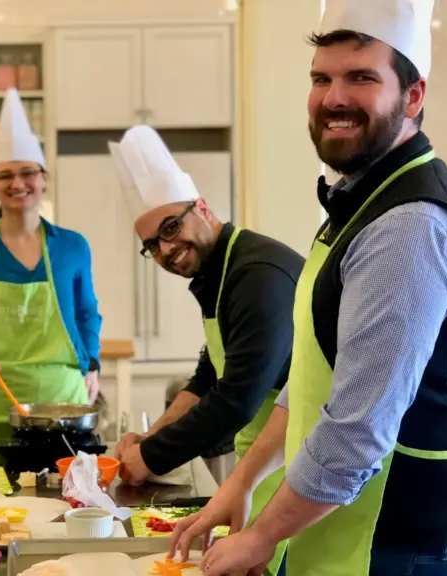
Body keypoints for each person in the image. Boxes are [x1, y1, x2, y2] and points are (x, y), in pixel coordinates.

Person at [169, 1, 447, 574]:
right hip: (333, 529)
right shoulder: (358, 202)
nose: (333, 98)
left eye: (361, 77)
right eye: (321, 78)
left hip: (389, 546)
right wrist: (242, 482)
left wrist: (262, 535)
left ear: (413, 96)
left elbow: (357, 431)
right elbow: (310, 378)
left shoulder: (405, 224)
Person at [109, 126, 303, 576]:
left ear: (201, 207)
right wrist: (149, 437)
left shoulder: (257, 275)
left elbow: (236, 398)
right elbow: (208, 375)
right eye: (152, 245)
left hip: (304, 467)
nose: (166, 250)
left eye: (171, 228)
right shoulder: (219, 272)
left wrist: (151, 458)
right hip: (266, 466)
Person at [0, 88, 102, 464]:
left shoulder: (73, 247)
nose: (17, 183)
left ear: (44, 178)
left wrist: (93, 362)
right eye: (5, 175)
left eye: (28, 173)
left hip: (64, 402)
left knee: (67, 492)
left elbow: (87, 314)